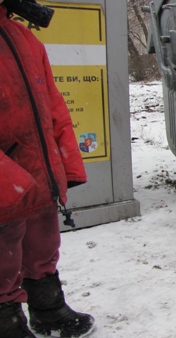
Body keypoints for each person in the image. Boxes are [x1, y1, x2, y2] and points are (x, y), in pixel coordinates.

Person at [0, 1, 95, 337]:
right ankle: (6, 321)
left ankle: (47, 306)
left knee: (42, 239)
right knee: (3, 251)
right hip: (5, 176)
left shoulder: (25, 38)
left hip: (37, 173)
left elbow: (53, 104)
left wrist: (63, 165)